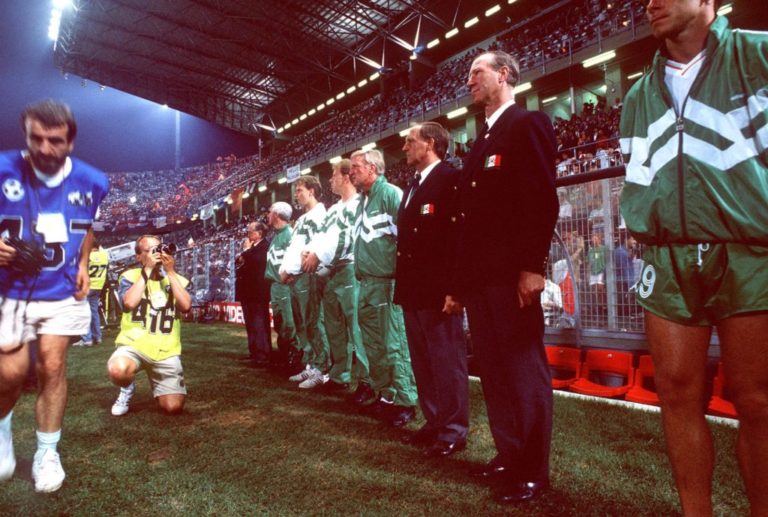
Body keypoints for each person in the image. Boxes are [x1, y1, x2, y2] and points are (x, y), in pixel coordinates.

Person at [619, 1, 768, 514]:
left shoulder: (759, 55)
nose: (649, 3)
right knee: (677, 397)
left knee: (757, 402)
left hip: (750, 250)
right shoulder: (639, 92)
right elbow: (637, 177)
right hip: (668, 256)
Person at [454, 50, 558, 504]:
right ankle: (509, 454)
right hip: (481, 279)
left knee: (522, 370)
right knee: (494, 372)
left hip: (512, 275)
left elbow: (540, 200)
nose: (470, 80)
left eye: (477, 72)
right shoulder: (479, 143)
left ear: (505, 75)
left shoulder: (527, 124)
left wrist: (533, 267)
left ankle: (532, 468)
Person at [0, 99, 109, 492]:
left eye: (55, 140)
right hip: (9, 290)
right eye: (36, 139)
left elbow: (87, 226)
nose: (45, 149)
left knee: (52, 364)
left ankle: (48, 453)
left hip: (61, 290)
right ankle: (3, 428)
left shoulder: (94, 181)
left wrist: (82, 263)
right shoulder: (2, 170)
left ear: (71, 142)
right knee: (9, 375)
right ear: (26, 136)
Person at [394, 122, 469, 456]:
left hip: (438, 290)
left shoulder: (451, 179)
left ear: (430, 144)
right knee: (423, 361)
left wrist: (456, 289)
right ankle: (435, 420)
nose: (405, 147)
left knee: (447, 361)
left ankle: (454, 429)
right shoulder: (413, 184)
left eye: (411, 141)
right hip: (413, 289)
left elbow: (457, 240)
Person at [350, 149, 418, 428]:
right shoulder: (361, 202)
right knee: (374, 347)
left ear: (372, 168)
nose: (351, 171)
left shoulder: (390, 194)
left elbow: (408, 237)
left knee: (394, 346)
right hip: (366, 284)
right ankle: (387, 394)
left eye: (356, 166)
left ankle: (405, 400)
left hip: (387, 283)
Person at [301, 160, 372, 399]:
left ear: (346, 177)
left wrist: (318, 255)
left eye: (333, 175)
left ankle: (366, 381)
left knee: (355, 327)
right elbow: (322, 236)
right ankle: (340, 375)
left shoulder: (359, 203)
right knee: (334, 327)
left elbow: (348, 237)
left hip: (350, 268)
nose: (330, 179)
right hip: (330, 272)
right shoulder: (333, 209)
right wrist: (310, 251)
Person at [107, 235, 192, 417]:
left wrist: (170, 273)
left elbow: (186, 307)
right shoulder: (129, 277)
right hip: (134, 345)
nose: (157, 254)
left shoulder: (177, 279)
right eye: (150, 251)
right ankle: (126, 388)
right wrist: (147, 270)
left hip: (165, 350)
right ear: (138, 256)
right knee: (118, 369)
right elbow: (128, 304)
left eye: (159, 249)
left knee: (173, 407)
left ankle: (160, 384)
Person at [279, 176, 330, 389]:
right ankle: (310, 363)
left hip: (308, 276)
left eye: (300, 190)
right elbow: (294, 248)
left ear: (311, 191)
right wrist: (285, 269)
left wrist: (295, 269)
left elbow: (315, 248)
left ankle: (322, 369)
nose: (296, 195)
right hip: (294, 277)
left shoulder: (320, 215)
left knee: (314, 322)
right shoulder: (301, 219)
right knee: (302, 324)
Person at [264, 202, 301, 371]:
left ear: (277, 215)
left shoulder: (288, 235)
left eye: (270, 212)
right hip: (276, 286)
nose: (267, 215)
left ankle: (293, 358)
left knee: (288, 323)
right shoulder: (277, 235)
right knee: (280, 323)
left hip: (284, 286)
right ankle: (285, 355)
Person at [234, 221, 271, 367]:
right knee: (251, 324)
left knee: (259, 323)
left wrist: (246, 252)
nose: (248, 235)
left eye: (250, 232)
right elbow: (239, 261)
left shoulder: (264, 247)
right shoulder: (252, 248)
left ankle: (263, 355)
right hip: (248, 292)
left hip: (257, 292)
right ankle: (254, 352)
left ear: (259, 233)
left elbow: (257, 263)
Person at [76, 239, 110, 346]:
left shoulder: (87, 257)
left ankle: (87, 339)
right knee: (94, 312)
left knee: (83, 313)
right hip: (98, 286)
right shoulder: (104, 255)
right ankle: (97, 337)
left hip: (86, 286)